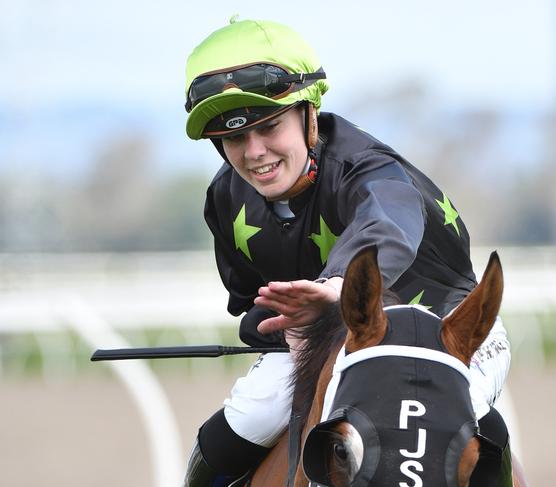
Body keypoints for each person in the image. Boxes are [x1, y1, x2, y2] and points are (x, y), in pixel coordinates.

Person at [182, 17, 511, 486]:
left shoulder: (369, 170)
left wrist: (336, 289)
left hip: (446, 328)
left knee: (470, 416)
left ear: (308, 113)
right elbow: (256, 309)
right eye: (235, 137)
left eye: (270, 126)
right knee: (247, 419)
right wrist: (283, 327)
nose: (254, 152)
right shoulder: (225, 198)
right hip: (323, 338)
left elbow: (388, 224)